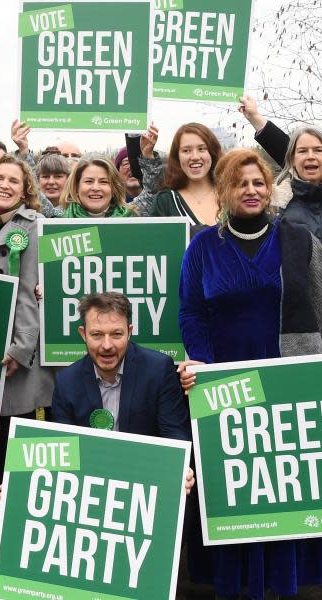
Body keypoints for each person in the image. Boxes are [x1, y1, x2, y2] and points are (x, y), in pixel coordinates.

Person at [178, 148, 322, 600]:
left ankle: (289, 581)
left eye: (258, 182)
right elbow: (190, 311)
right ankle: (238, 583)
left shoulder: (299, 238)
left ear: (270, 188)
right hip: (227, 381)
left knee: (281, 479)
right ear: (223, 191)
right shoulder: (202, 245)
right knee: (240, 482)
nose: (251, 190)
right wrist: (200, 362)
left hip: (288, 378)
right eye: (240, 183)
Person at [0, 155, 55, 551]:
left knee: (14, 442)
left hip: (16, 355)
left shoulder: (33, 229)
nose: (5, 185)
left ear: (25, 190)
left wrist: (20, 348)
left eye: (14, 181)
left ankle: (16, 520)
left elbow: (32, 294)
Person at [51, 293, 190, 439]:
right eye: (97, 334)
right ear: (83, 334)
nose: (107, 345)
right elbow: (65, 447)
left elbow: (176, 436)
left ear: (129, 332)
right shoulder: (66, 383)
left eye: (116, 334)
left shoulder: (159, 370)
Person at [240, 96, 322, 238]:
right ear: (292, 159)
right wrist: (254, 117)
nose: (310, 156)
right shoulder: (280, 206)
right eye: (302, 151)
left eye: (318, 150)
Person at [134, 123, 222, 233]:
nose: (194, 157)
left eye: (201, 149)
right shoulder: (166, 201)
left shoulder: (232, 195)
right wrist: (148, 156)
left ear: (212, 153)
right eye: (186, 150)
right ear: (177, 157)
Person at [59, 157, 134, 218]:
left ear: (114, 188)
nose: (96, 188)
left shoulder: (133, 218)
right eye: (89, 181)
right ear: (76, 187)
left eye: (103, 182)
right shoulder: (57, 219)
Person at [34, 153, 67, 218]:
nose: (51, 182)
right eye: (45, 176)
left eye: (58, 176)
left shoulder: (80, 212)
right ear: (37, 180)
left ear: (68, 180)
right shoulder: (27, 211)